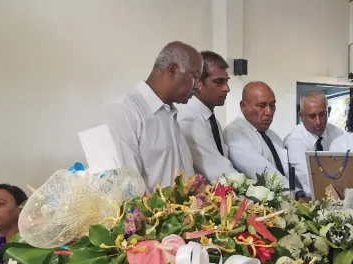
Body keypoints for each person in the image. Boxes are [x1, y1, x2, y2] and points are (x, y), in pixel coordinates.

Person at [106, 41, 202, 192]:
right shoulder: (124, 110)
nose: (197, 86)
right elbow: (125, 187)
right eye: (195, 77)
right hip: (151, 215)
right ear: (172, 70)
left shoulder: (170, 113)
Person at [223, 81, 306, 198]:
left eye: (272, 105)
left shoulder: (273, 136)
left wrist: (301, 192)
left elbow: (286, 172)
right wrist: (296, 194)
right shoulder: (234, 133)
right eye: (261, 106)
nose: (269, 112)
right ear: (243, 106)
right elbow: (262, 172)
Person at [177, 50, 236, 182]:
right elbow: (218, 172)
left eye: (226, 81)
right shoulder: (189, 120)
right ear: (197, 83)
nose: (226, 88)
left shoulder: (210, 119)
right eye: (218, 82)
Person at [284, 90, 345, 197]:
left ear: (329, 111)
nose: (318, 122)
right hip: (306, 200)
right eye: (312, 116)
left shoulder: (339, 135)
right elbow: (307, 178)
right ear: (301, 116)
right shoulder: (295, 140)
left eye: (322, 114)